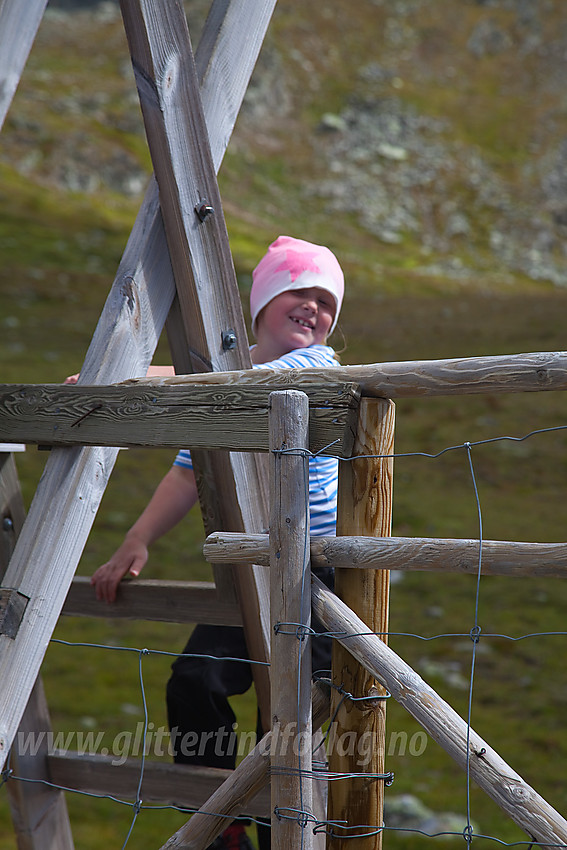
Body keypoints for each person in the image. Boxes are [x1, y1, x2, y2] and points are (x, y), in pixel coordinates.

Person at [90, 235, 345, 850]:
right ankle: (218, 822)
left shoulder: (320, 366)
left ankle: (277, 835)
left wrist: (128, 378)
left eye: (326, 299)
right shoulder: (229, 380)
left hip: (316, 575)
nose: (313, 308)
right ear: (261, 303)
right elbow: (186, 469)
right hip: (253, 567)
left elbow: (237, 385)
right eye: (297, 292)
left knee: (284, 722)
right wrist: (137, 539)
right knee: (193, 682)